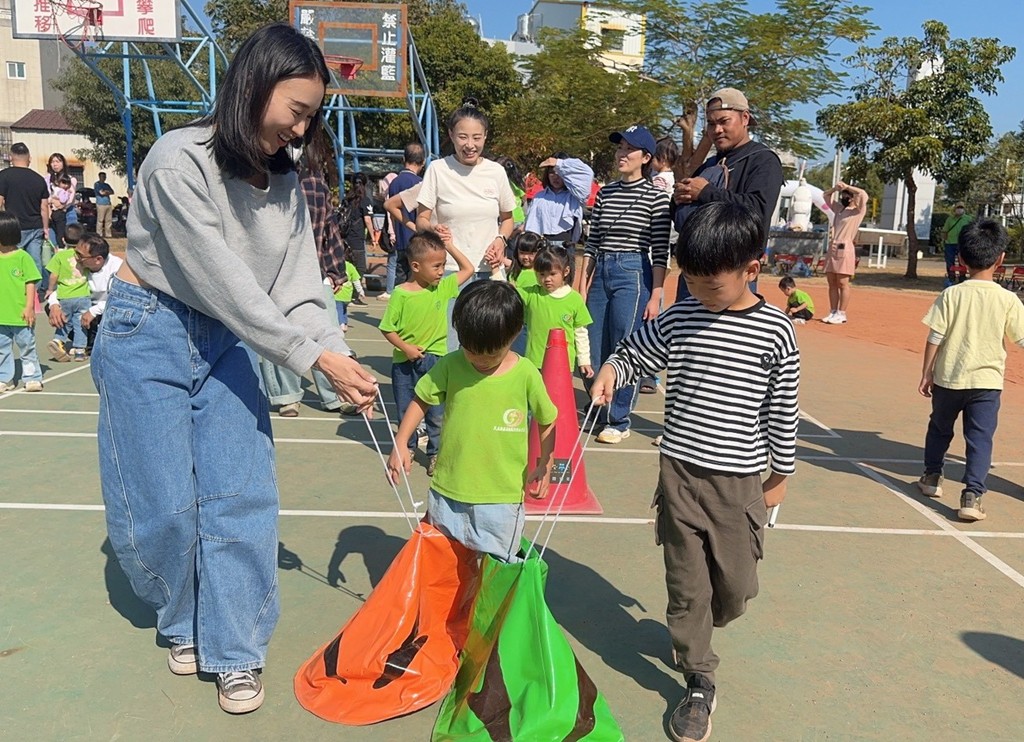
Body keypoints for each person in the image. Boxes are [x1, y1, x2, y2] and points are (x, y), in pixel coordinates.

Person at [90, 23, 378, 715]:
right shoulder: (176, 160)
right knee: (161, 508)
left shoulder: (285, 179)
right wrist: (309, 357)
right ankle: (182, 615)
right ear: (255, 84)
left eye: (311, 116)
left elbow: (297, 286)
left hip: (228, 340)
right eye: (296, 110)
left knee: (242, 493)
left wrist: (334, 351)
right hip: (147, 329)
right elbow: (222, 280)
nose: (301, 129)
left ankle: (235, 646)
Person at [590, 201, 799, 742]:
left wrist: (780, 476)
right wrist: (612, 369)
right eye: (692, 282)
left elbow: (783, 409)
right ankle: (698, 677)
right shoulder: (680, 317)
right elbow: (634, 353)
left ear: (751, 269)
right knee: (687, 586)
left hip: (739, 484)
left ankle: (702, 623)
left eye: (713, 285)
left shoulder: (776, 331)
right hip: (680, 475)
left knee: (736, 589)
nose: (701, 294)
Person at [386, 280, 558, 562]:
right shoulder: (451, 364)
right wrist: (401, 442)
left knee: (498, 568)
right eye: (470, 349)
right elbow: (421, 399)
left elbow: (547, 420)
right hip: (447, 492)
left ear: (515, 333)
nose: (478, 360)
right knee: (443, 564)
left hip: (501, 498)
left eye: (490, 353)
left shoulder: (526, 373)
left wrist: (545, 465)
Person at [916, 219, 1024, 522]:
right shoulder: (1008, 299)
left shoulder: (951, 294)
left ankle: (932, 477)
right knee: (980, 439)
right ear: (1001, 259)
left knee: (939, 429)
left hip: (948, 379)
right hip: (987, 384)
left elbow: (935, 336)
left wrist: (926, 372)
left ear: (961, 258)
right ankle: (972, 496)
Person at [580, 124, 671, 444]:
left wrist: (656, 295)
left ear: (645, 158)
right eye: (619, 148)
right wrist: (582, 284)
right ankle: (600, 406)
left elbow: (660, 251)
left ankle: (618, 419)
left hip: (633, 272)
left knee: (624, 346)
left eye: (629, 149)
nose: (621, 154)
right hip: (601, 271)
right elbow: (591, 244)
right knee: (591, 346)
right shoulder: (605, 193)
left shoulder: (657, 197)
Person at [673, 88, 784, 301]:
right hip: (693, 272)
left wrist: (705, 192)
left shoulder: (763, 160)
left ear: (745, 118)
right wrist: (679, 197)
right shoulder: (710, 164)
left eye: (724, 121)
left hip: (732, 273)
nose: (717, 130)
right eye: (711, 124)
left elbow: (758, 210)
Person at [379, 229, 475, 475]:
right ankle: (406, 448)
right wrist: (406, 348)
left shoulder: (442, 288)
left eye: (443, 265)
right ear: (416, 266)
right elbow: (387, 328)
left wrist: (449, 245)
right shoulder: (401, 294)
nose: (442, 271)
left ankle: (435, 453)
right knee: (405, 409)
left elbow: (468, 269)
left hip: (436, 360)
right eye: (436, 266)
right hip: (405, 363)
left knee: (436, 411)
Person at [416, 98, 515, 282]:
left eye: (476, 138)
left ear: (485, 136)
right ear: (451, 134)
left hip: (489, 270)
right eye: (463, 137)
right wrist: (433, 229)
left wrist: (501, 240)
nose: (470, 145)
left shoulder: (496, 171)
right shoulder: (438, 169)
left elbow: (508, 219)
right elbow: (421, 220)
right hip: (449, 270)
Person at [517, 244, 593, 376]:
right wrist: (496, 270)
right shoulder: (531, 294)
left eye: (552, 274)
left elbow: (581, 332)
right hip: (534, 363)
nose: (547, 279)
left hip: (562, 365)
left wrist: (584, 360)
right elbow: (507, 293)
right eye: (542, 274)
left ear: (566, 271)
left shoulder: (575, 299)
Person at [46, 231, 123, 355]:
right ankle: (81, 343)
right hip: (83, 306)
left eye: (80, 255)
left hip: (106, 311)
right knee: (55, 307)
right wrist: (53, 305)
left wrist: (93, 311)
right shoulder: (77, 264)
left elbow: (119, 300)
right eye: (75, 252)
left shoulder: (117, 268)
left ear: (98, 259)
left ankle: (93, 343)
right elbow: (64, 287)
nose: (75, 257)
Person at [524, 152, 594, 288]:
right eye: (552, 173)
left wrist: (559, 163)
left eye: (559, 173)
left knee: (564, 288)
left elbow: (587, 173)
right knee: (545, 286)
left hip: (566, 246)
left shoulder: (576, 195)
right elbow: (532, 228)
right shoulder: (540, 197)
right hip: (544, 246)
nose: (556, 177)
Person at [0, 142, 52, 296]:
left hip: (12, 227)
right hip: (35, 226)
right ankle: (34, 293)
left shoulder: (4, 176)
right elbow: (44, 207)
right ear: (29, 158)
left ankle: (14, 289)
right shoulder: (38, 179)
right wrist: (46, 228)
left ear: (11, 158)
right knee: (34, 260)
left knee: (12, 258)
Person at [0, 213, 44, 393]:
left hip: (20, 314)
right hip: (2, 315)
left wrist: (29, 307)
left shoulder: (22, 257)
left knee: (26, 348)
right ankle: (4, 378)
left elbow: (30, 282)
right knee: (2, 349)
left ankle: (32, 378)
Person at [820, 180, 867, 324]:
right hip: (833, 245)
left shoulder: (858, 211)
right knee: (832, 281)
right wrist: (835, 188)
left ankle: (842, 313)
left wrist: (847, 187)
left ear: (853, 197)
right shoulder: (839, 209)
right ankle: (833, 311)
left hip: (845, 247)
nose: (844, 198)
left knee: (842, 282)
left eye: (847, 195)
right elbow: (825, 196)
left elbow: (863, 194)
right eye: (843, 195)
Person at [383, 142, 426, 298]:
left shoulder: (395, 182)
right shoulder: (420, 183)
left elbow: (391, 210)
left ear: (403, 159)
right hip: (418, 239)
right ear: (423, 162)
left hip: (401, 238)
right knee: (417, 282)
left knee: (400, 278)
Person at [44, 223, 91, 362]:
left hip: (64, 295)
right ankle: (80, 350)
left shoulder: (59, 256)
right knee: (81, 323)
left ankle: (58, 340)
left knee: (64, 321)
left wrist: (50, 289)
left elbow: (53, 275)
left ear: (63, 239)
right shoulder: (83, 255)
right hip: (83, 295)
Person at [338, 171, 376, 278]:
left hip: (344, 238)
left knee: (346, 267)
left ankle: (347, 286)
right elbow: (367, 220)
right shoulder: (365, 200)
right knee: (360, 268)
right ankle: (355, 287)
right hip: (357, 239)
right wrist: (373, 238)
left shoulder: (346, 199)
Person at [940, 203, 972, 285]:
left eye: (961, 207)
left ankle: (962, 276)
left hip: (962, 243)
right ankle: (951, 276)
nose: (959, 209)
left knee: (962, 261)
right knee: (949, 260)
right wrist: (944, 239)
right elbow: (945, 230)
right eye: (958, 207)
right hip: (950, 243)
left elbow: (972, 230)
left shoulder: (968, 219)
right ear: (955, 209)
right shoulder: (950, 219)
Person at [333, 254, 363, 333]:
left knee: (338, 309)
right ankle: (345, 322)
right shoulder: (350, 266)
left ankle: (341, 323)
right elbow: (356, 280)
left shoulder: (334, 265)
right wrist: (360, 291)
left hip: (338, 293)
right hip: (347, 294)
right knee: (344, 309)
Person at [48, 174, 75, 248]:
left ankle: (56, 246)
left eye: (67, 183)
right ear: (58, 182)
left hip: (53, 212)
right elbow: (63, 200)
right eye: (63, 183)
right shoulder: (61, 191)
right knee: (61, 232)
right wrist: (67, 193)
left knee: (56, 231)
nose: (66, 185)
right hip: (59, 213)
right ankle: (61, 246)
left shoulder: (54, 189)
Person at [94, 172, 115, 238]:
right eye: (102, 176)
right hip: (101, 204)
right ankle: (99, 234)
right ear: (99, 177)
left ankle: (108, 234)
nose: (104, 178)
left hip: (108, 203)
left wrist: (106, 192)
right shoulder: (97, 184)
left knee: (108, 220)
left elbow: (112, 192)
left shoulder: (107, 185)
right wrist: (107, 192)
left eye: (104, 177)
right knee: (100, 220)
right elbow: (101, 193)